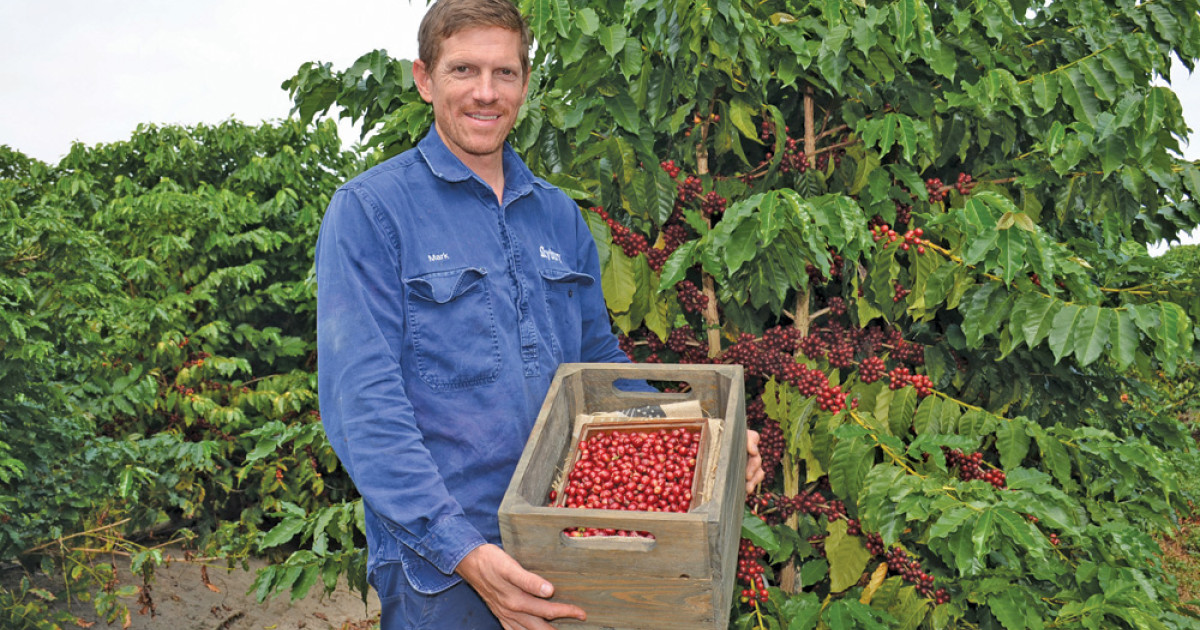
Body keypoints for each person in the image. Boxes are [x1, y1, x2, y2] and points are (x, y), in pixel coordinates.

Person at [314, 1, 764, 628]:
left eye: (504, 73)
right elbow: (362, 404)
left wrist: (698, 441)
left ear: (526, 83)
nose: (485, 93)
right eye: (463, 70)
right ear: (424, 78)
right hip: (442, 564)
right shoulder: (371, 211)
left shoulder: (557, 217)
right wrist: (461, 549)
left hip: (573, 537)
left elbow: (599, 371)